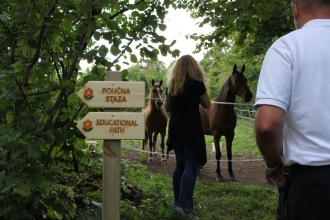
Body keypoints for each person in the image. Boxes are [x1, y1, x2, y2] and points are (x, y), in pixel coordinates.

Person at [254, 0, 330, 219]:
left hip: (311, 188)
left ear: (295, 8)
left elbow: (267, 125)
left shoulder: (287, 47)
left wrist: (273, 163)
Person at [164, 55, 211, 219]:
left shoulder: (171, 85)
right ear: (194, 67)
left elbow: (167, 108)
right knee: (191, 165)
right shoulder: (197, 84)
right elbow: (208, 105)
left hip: (175, 128)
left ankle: (178, 203)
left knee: (180, 164)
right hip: (191, 128)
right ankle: (185, 206)